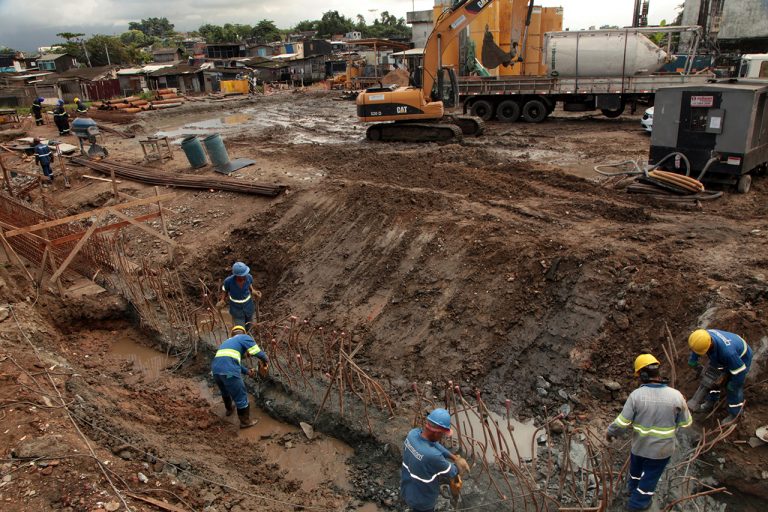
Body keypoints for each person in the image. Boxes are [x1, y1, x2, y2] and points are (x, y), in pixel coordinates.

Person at [607, 354, 692, 512]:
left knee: (635, 471)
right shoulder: (676, 396)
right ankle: (639, 503)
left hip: (639, 447)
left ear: (643, 375)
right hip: (662, 450)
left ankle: (632, 493)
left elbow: (622, 423)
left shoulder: (636, 396)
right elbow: (686, 423)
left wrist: (610, 432)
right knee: (650, 477)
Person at [401, 408, 470, 512]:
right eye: (442, 434)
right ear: (437, 433)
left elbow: (433, 444)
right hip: (423, 501)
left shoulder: (413, 434)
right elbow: (453, 471)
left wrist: (454, 457)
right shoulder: (432, 456)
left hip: (407, 488)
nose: (442, 437)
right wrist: (460, 464)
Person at [211, 325, 269, 428]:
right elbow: (256, 351)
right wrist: (266, 360)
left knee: (225, 390)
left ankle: (229, 409)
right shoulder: (243, 337)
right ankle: (245, 422)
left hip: (216, 372)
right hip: (229, 373)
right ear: (243, 333)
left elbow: (232, 362)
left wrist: (247, 372)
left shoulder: (226, 342)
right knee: (241, 396)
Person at [688, 328, 752, 420]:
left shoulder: (728, 353)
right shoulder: (702, 337)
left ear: (709, 345)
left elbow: (740, 371)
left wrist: (733, 384)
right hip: (719, 356)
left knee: (733, 389)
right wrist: (693, 360)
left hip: (741, 358)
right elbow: (697, 348)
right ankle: (710, 402)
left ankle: (735, 414)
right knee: (712, 381)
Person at [219, 261, 261, 332]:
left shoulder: (248, 277)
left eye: (245, 274)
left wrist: (253, 290)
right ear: (236, 275)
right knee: (240, 329)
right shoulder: (228, 281)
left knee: (249, 326)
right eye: (242, 276)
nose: (244, 276)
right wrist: (222, 300)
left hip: (248, 306)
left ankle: (249, 336)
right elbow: (224, 289)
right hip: (236, 309)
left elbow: (249, 283)